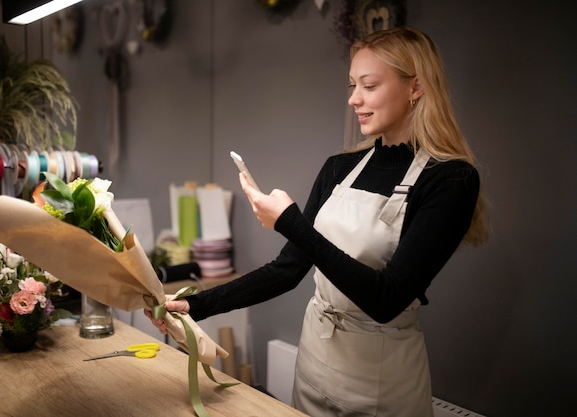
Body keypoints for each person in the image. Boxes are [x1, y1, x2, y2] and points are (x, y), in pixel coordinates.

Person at [146, 26, 489, 417]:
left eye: (369, 86)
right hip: (314, 364)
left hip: (383, 382)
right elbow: (287, 270)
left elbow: (387, 299)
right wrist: (196, 306)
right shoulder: (339, 168)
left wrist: (290, 224)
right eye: (352, 85)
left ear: (416, 87)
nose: (353, 99)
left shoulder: (450, 180)